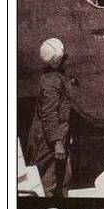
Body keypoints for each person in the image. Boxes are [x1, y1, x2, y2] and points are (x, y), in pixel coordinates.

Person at [26, 38, 73, 197]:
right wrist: (57, 143)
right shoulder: (51, 82)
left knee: (63, 178)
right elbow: (49, 114)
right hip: (48, 141)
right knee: (49, 182)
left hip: (55, 137)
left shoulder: (53, 76)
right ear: (58, 59)